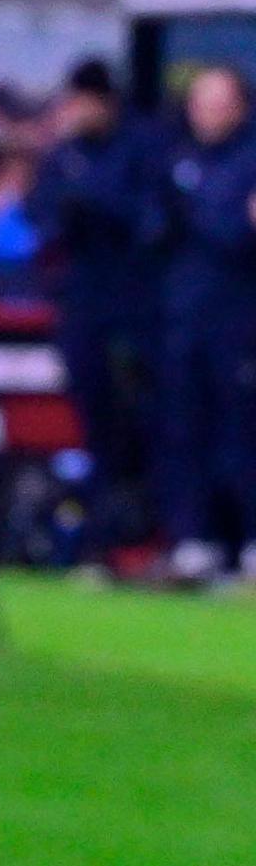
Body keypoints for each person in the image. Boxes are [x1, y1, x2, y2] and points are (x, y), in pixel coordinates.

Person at [29, 58, 170, 564]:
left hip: (134, 308)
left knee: (144, 421)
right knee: (93, 426)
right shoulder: (63, 154)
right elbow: (38, 217)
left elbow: (152, 222)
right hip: (81, 303)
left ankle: (150, 533)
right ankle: (97, 537)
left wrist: (91, 199)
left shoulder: (142, 147)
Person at [154, 64, 256, 584]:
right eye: (199, 101)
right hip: (183, 319)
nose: (206, 113)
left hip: (239, 319)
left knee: (242, 432)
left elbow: (242, 234)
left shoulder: (249, 159)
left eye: (217, 102)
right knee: (184, 431)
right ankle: (195, 542)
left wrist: (200, 214)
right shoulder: (177, 155)